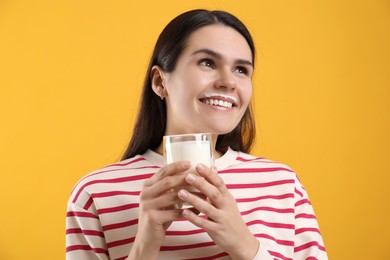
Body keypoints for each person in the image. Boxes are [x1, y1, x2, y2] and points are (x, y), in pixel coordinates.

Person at [66, 9, 327, 260]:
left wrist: (246, 247)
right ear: (159, 81)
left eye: (241, 70)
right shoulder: (96, 193)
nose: (229, 81)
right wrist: (144, 245)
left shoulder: (282, 186)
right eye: (207, 63)